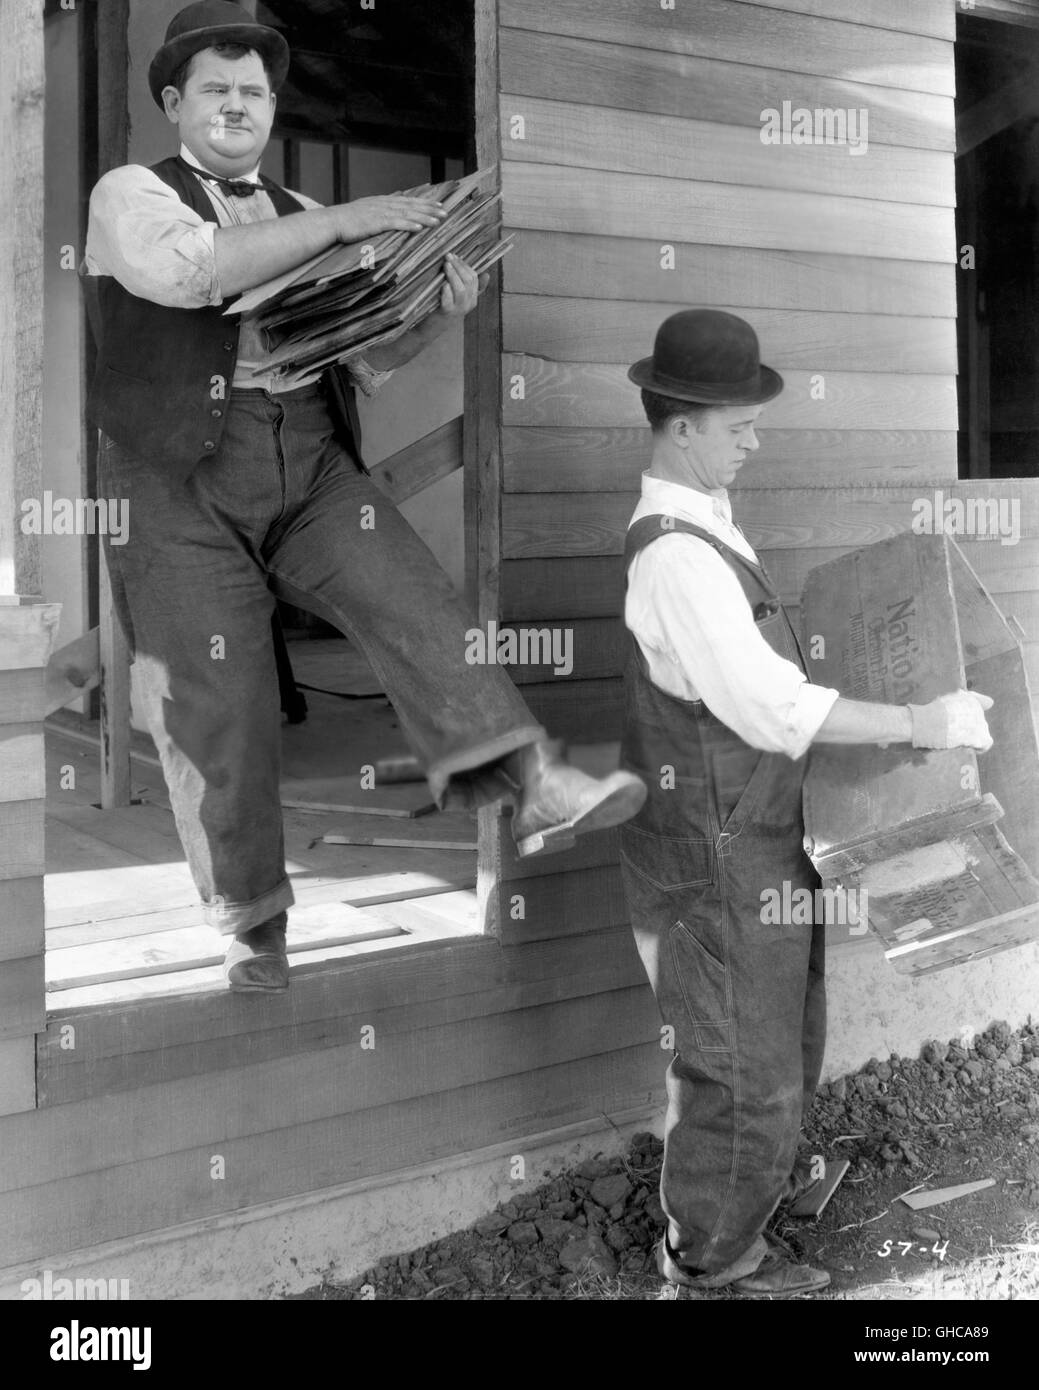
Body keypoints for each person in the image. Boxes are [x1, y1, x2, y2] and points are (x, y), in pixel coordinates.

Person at [83, 1, 645, 993]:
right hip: (173, 474)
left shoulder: (299, 211)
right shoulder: (130, 192)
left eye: (252, 91)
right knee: (220, 700)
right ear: (174, 100)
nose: (236, 106)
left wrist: (430, 311)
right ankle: (250, 919)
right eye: (214, 88)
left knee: (415, 598)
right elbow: (192, 272)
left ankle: (532, 785)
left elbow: (362, 355)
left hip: (304, 451)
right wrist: (355, 219)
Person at [618, 309, 994, 1296]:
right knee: (741, 1067)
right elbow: (771, 704)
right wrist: (922, 723)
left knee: (784, 1040)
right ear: (686, 423)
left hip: (753, 834)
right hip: (714, 851)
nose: (754, 438)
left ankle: (743, 1212)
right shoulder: (678, 557)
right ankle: (710, 1263)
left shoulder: (704, 522)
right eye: (739, 423)